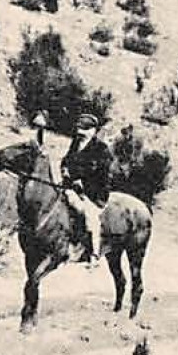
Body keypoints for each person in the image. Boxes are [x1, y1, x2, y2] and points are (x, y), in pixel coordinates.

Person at [61, 112, 112, 266]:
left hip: (93, 193)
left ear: (93, 130)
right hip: (72, 187)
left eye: (85, 129)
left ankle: (94, 253)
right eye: (79, 128)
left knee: (90, 217)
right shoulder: (76, 142)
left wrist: (80, 179)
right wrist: (64, 169)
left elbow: (97, 170)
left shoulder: (101, 149)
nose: (80, 132)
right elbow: (66, 159)